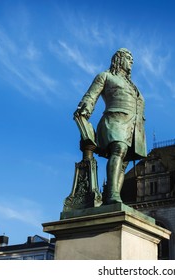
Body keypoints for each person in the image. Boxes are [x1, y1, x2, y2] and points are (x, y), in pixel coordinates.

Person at [74, 48, 146, 204]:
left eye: (132, 59)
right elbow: (91, 96)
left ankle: (112, 198)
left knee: (124, 161)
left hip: (133, 127)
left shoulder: (132, 86)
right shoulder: (105, 76)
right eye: (128, 58)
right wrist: (84, 112)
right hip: (114, 121)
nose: (131, 61)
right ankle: (113, 194)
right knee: (119, 149)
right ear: (119, 59)